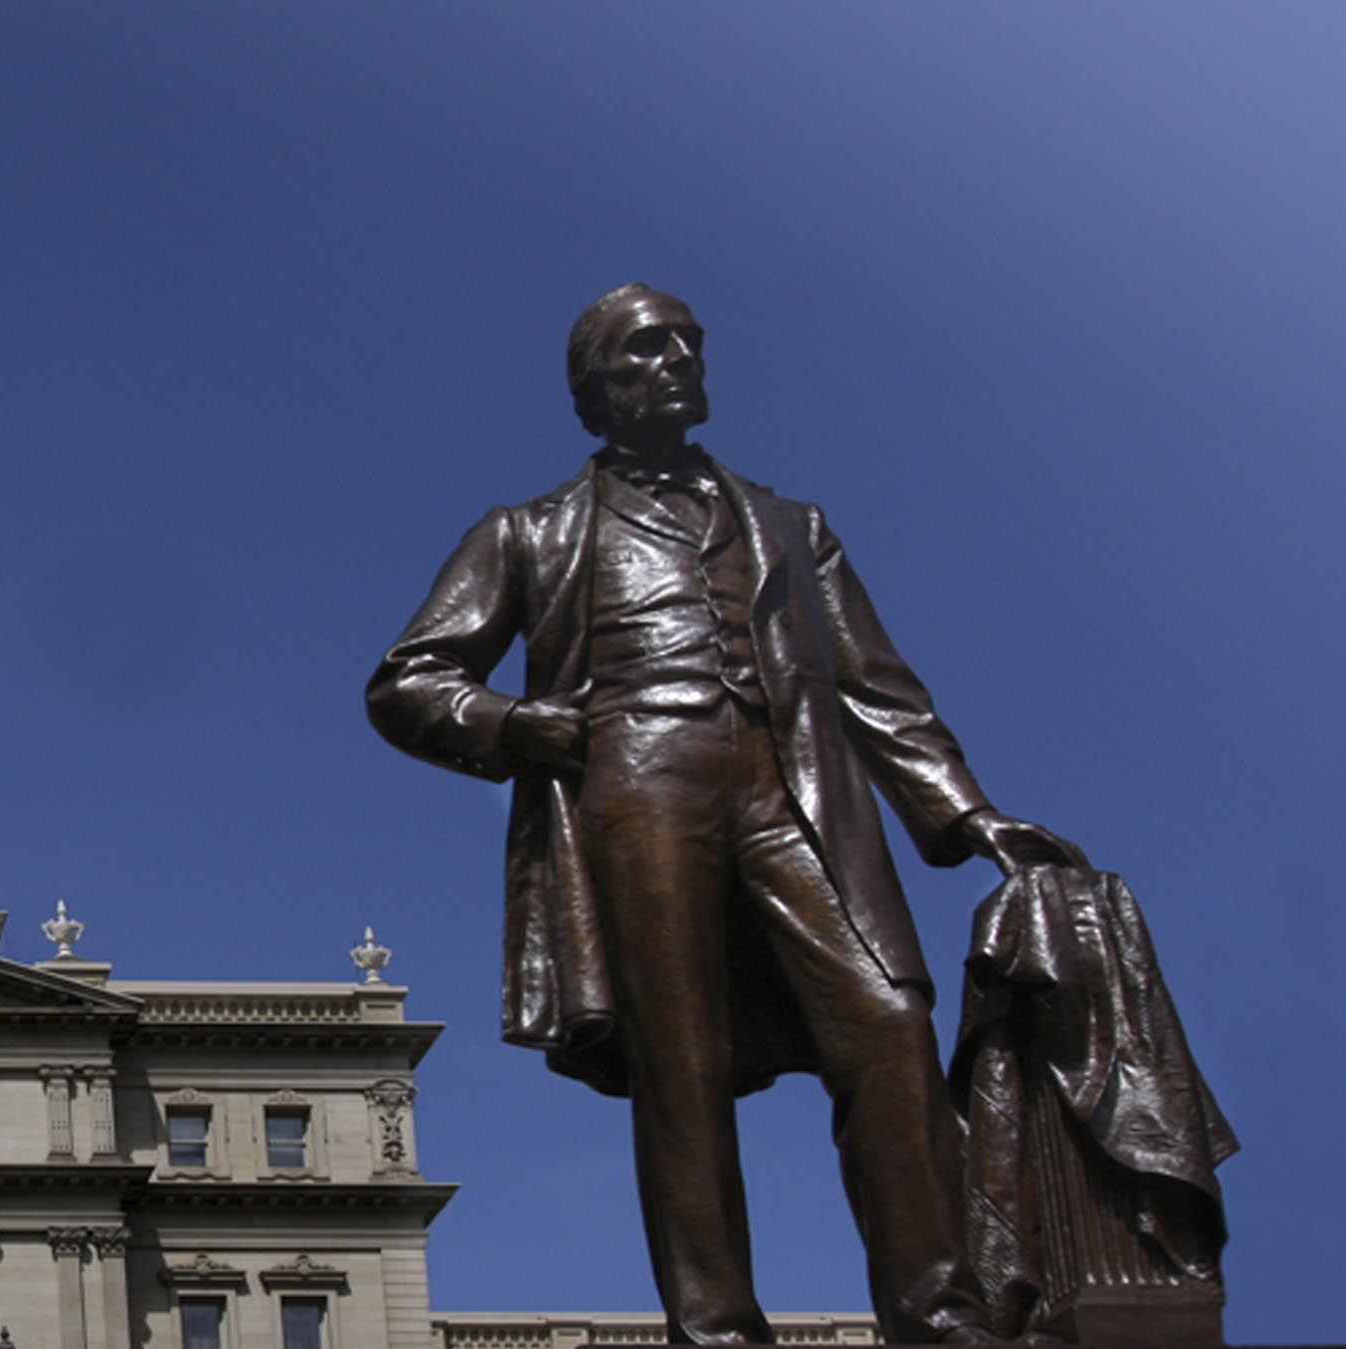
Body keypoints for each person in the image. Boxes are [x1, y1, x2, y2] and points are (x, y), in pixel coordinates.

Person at [366, 284, 1084, 1345]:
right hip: (635, 789)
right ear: (594, 388)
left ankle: (938, 1310)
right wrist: (523, 724)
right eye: (647, 347)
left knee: (886, 1020)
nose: (677, 360)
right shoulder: (529, 531)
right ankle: (716, 1327)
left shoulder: (791, 528)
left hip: (791, 785)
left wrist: (967, 813)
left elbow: (877, 688)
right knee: (680, 1060)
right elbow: (407, 680)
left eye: (687, 344)